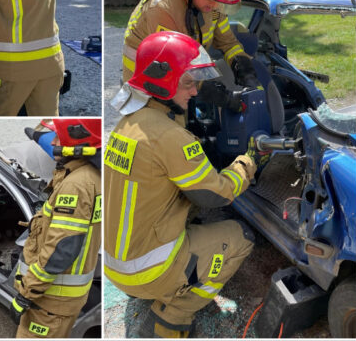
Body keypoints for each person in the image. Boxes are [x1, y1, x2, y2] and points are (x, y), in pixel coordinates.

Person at [105, 31, 267, 338]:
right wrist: (248, 160)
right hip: (148, 269)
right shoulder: (170, 137)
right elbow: (218, 194)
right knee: (241, 237)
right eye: (187, 82)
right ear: (163, 82)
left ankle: (162, 285)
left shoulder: (128, 124)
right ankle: (174, 315)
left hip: (117, 263)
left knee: (188, 209)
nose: (194, 92)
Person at [121, 0, 261, 112]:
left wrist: (242, 65)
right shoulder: (164, 8)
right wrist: (222, 97)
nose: (215, 5)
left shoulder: (212, 0)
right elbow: (174, 70)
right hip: (146, 85)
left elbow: (227, 42)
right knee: (167, 132)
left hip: (182, 82)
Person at [11, 119, 101, 338]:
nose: (52, 142)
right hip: (62, 299)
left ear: (77, 143)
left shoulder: (76, 186)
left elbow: (61, 250)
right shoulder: (89, 174)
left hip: (50, 300)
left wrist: (27, 293)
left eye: (58, 137)